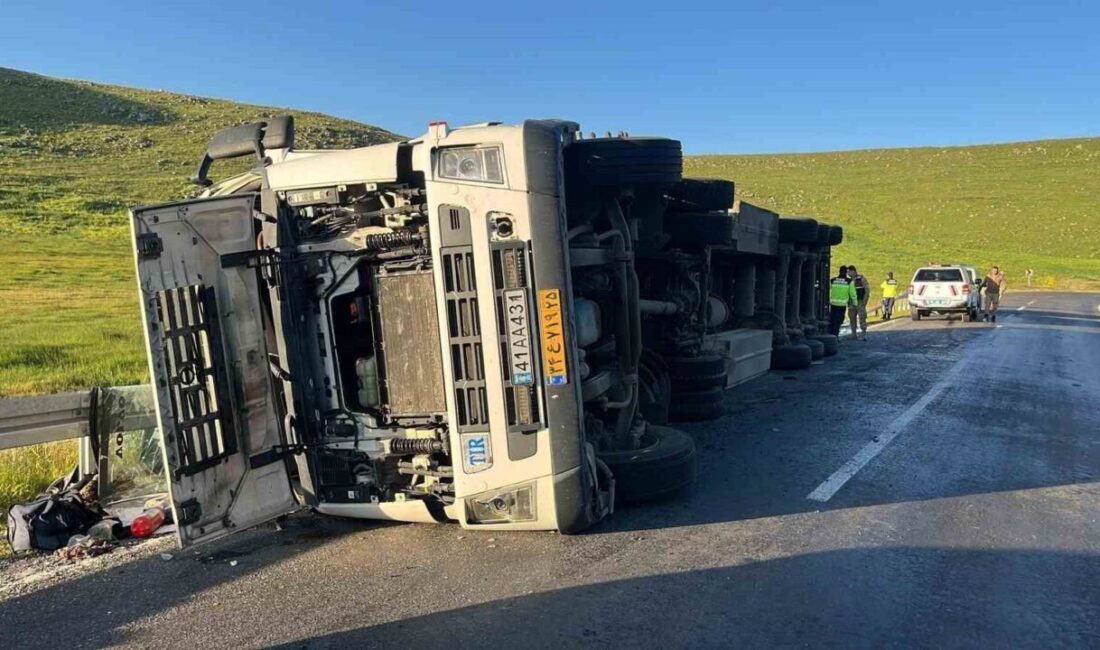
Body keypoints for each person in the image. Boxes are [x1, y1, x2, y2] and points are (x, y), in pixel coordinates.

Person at [828, 265, 857, 336]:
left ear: (839, 271)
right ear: (846, 272)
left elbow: (827, 290)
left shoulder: (833, 280)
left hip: (833, 304)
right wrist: (855, 303)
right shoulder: (849, 281)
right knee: (839, 320)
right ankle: (835, 335)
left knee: (832, 320)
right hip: (842, 305)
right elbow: (852, 293)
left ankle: (832, 334)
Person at [847, 265, 870, 339]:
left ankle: (863, 333)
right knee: (852, 318)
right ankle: (854, 334)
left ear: (853, 271)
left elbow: (867, 290)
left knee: (862, 317)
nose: (848, 274)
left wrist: (865, 300)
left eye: (849, 272)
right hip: (851, 303)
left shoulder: (861, 278)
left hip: (860, 302)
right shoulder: (848, 280)